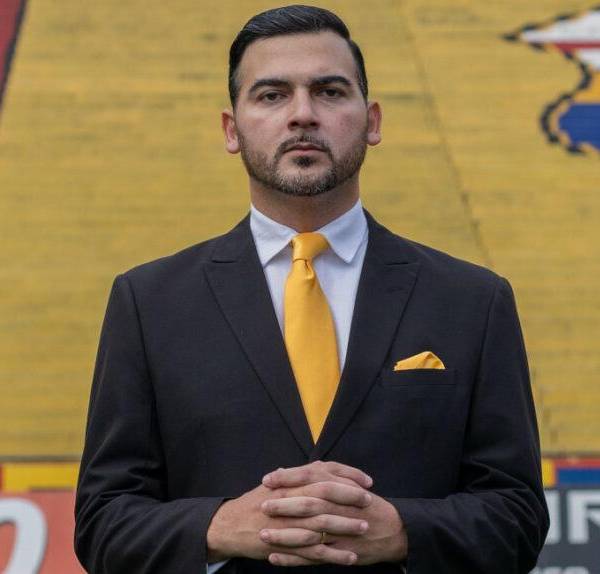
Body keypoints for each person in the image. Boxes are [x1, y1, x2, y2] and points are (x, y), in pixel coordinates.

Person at [74, 5, 549, 573]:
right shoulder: (149, 303)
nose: (303, 115)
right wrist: (218, 526)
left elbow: (517, 515)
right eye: (272, 95)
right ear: (232, 129)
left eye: (329, 92)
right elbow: (103, 521)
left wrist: (402, 532)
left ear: (372, 121)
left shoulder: (472, 301)